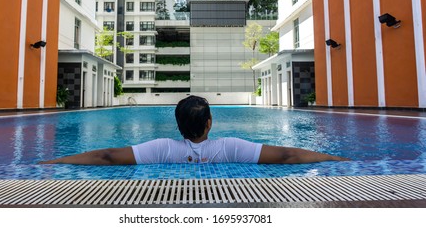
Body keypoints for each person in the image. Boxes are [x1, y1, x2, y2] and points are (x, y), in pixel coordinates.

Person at [39, 95, 348, 165]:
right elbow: (288, 155)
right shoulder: (230, 147)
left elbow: (106, 156)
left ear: (178, 125)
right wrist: (339, 161)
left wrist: (52, 163)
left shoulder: (163, 149)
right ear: (210, 123)